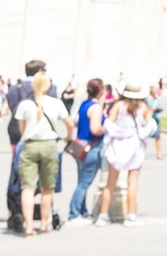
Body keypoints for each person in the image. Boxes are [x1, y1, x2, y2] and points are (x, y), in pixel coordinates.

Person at [13, 73, 73, 236]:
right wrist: (68, 137)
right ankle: (45, 223)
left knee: (28, 187)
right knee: (47, 188)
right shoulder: (56, 103)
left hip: (30, 145)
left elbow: (21, 129)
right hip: (49, 145)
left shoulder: (25, 104)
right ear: (48, 86)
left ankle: (29, 225)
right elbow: (69, 123)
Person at [97, 82, 156, 227]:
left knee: (110, 183)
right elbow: (151, 126)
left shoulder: (118, 105)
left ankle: (103, 215)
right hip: (135, 144)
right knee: (132, 182)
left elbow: (108, 124)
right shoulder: (143, 107)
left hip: (118, 144)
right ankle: (130, 216)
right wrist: (140, 133)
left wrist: (118, 132)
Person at [67, 78, 107, 224]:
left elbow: (76, 121)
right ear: (100, 90)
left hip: (79, 144)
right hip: (91, 145)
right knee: (84, 182)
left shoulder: (84, 104)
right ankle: (74, 212)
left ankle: (82, 211)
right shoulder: (96, 107)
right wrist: (107, 128)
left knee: (81, 180)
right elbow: (95, 129)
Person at [6, 60, 58, 147]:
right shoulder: (48, 89)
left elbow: (12, 107)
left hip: (17, 131)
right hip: (41, 135)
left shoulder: (13, 89)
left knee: (17, 159)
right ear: (40, 71)